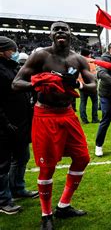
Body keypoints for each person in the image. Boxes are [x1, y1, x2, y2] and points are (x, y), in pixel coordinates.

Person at [12, 21, 96, 230]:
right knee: (47, 166)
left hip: (67, 114)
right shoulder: (40, 55)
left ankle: (64, 205)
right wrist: (37, 83)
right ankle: (46, 214)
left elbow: (93, 85)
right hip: (45, 115)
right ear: (50, 35)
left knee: (82, 158)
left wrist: (77, 84)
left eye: (64, 29)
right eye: (56, 29)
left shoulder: (77, 58)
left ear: (70, 34)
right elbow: (16, 83)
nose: (60, 31)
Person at [0, 36, 38, 215]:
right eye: (11, 50)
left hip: (21, 123)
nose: (14, 53)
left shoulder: (13, 67)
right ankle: (3, 200)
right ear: (2, 50)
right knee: (2, 164)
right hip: (4, 125)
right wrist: (5, 123)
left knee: (22, 157)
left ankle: (17, 188)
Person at [78, 49, 99, 124]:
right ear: (88, 54)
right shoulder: (91, 61)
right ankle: (94, 118)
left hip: (82, 85)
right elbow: (94, 74)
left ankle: (84, 119)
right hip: (91, 85)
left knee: (83, 102)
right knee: (95, 101)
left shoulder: (77, 61)